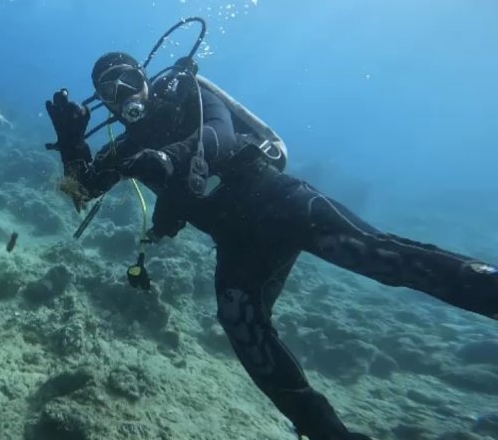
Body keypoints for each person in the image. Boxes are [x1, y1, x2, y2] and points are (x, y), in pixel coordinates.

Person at [45, 51, 498, 440]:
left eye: (130, 79)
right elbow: (82, 190)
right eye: (110, 88)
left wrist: (170, 157)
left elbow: (219, 135)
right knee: (243, 326)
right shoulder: (127, 148)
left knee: (378, 256)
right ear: (102, 101)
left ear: (146, 77)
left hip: (284, 205)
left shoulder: (189, 96)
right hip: (240, 244)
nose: (124, 92)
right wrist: (70, 141)